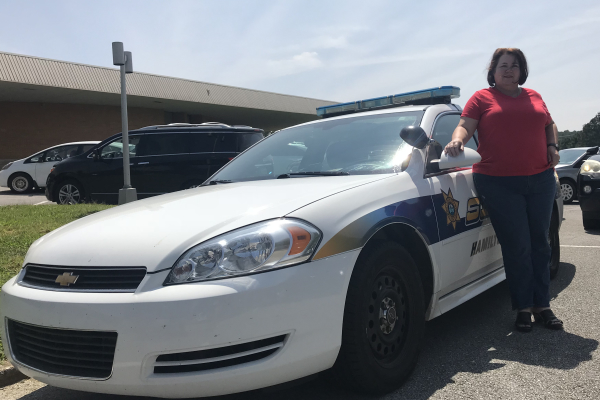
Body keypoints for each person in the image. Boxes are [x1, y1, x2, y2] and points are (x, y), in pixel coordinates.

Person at [444, 48, 563, 332]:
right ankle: (523, 306)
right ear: (493, 71)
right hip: (498, 182)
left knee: (541, 243)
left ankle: (542, 305)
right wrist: (458, 141)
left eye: (514, 65)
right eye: (502, 65)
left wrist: (553, 145)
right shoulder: (482, 98)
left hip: (541, 179)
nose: (509, 70)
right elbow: (464, 126)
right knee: (518, 245)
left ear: (522, 71)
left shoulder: (534, 96)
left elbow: (550, 124)